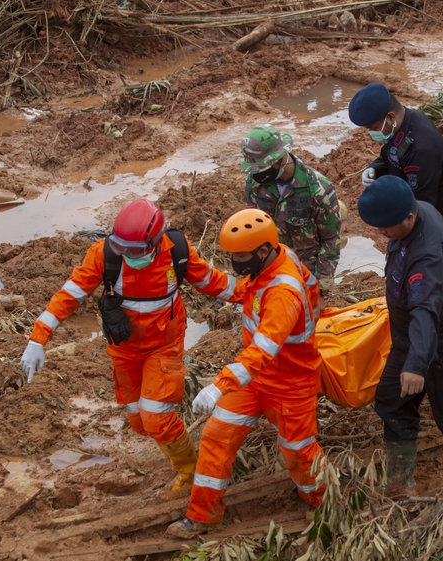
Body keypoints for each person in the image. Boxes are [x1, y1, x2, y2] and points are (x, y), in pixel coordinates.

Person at [19, 199, 237, 497]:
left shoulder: (177, 252)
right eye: (121, 249)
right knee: (139, 421)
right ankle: (174, 443)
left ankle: (190, 472)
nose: (126, 256)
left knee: (156, 415)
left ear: (155, 242)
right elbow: (70, 294)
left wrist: (258, 293)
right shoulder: (104, 254)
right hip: (125, 349)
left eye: (133, 251)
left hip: (164, 344)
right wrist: (37, 339)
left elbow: (214, 283)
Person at [166, 208, 326, 538]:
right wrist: (193, 268)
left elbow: (264, 350)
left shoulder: (283, 294)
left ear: (263, 250)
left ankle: (320, 502)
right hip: (254, 378)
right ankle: (201, 514)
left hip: (290, 383)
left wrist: (218, 385)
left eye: (240, 257)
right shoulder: (278, 260)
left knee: (299, 452)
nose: (236, 262)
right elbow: (247, 291)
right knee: (216, 436)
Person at [357, 175, 443, 494]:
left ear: (409, 217)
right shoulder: (416, 208)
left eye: (387, 227)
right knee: (393, 401)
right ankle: (399, 481)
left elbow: (425, 311)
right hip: (411, 340)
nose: (382, 234)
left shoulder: (426, 256)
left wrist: (416, 364)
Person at [348, 82, 443, 262]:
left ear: (390, 117)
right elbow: (390, 154)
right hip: (415, 217)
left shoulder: (422, 148)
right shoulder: (402, 124)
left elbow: (421, 204)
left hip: (442, 229)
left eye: (373, 128)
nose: (371, 133)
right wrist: (374, 168)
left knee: (431, 281)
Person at [241, 124, 342, 291]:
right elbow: (253, 226)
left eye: (261, 168)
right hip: (270, 270)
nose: (256, 174)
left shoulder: (318, 189)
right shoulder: (254, 184)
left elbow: (330, 240)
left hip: (305, 274)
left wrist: (321, 289)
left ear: (280, 160)